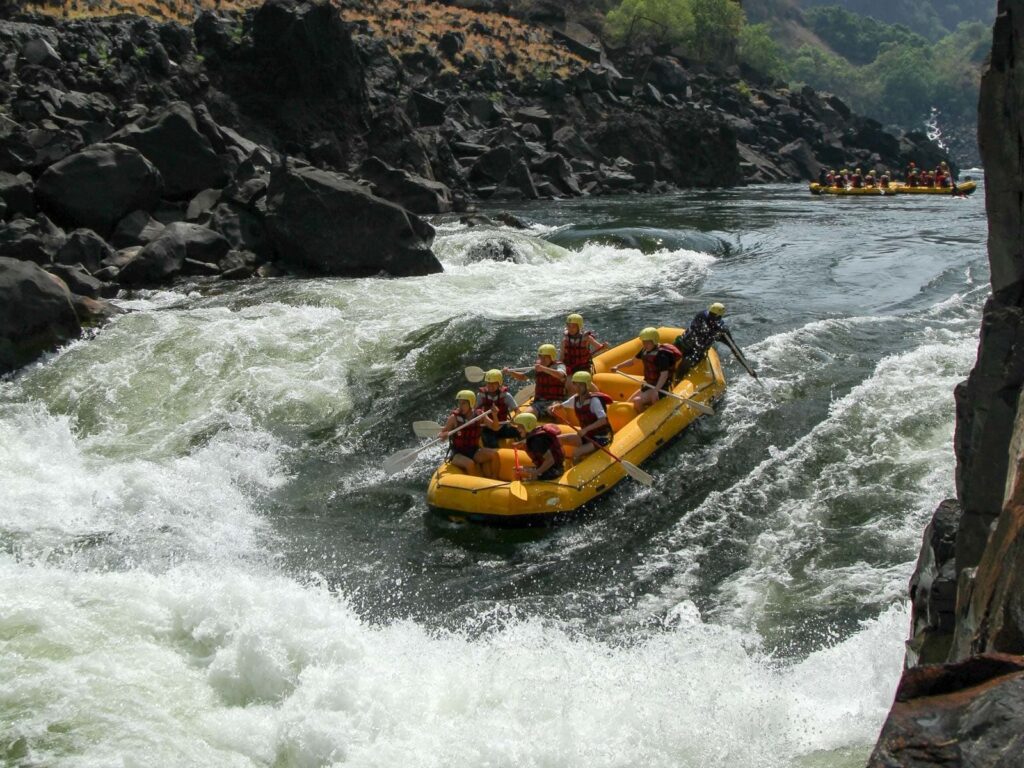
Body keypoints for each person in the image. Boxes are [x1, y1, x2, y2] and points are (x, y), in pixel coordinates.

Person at [550, 371, 614, 465]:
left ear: (587, 385)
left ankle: (575, 472)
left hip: (601, 438)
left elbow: (603, 420)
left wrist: (585, 430)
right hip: (587, 436)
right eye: (576, 385)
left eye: (581, 385)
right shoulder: (576, 399)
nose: (578, 388)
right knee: (558, 439)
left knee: (576, 452)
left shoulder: (594, 401)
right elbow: (562, 405)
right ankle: (558, 463)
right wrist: (555, 407)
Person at [612, 327, 680, 414]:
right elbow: (632, 362)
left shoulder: (662, 356)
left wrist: (656, 391)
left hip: (661, 387)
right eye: (643, 342)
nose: (644, 344)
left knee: (637, 401)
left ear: (654, 341)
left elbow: (664, 375)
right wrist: (618, 366)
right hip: (649, 385)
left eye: (647, 342)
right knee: (628, 403)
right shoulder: (645, 350)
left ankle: (646, 417)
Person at [439, 390, 499, 478]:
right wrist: (443, 435)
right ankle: (477, 486)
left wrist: (494, 415)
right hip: (458, 453)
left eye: (463, 403)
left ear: (471, 403)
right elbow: (442, 433)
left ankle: (495, 478)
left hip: (474, 450)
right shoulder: (454, 418)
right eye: (459, 403)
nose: (460, 406)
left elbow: (495, 427)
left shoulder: (479, 415)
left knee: (494, 455)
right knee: (470, 464)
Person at [505, 343, 566, 418]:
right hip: (539, 402)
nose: (542, 359)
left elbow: (561, 375)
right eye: (540, 357)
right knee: (524, 417)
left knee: (557, 410)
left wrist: (543, 369)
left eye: (545, 357)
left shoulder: (559, 366)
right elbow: (522, 377)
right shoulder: (538, 368)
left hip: (555, 401)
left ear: (552, 357)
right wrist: (510, 372)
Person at [674, 302, 727, 382]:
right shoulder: (702, 315)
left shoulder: (720, 327)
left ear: (719, 316)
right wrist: (717, 330)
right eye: (711, 313)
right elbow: (706, 326)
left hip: (696, 352)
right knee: (669, 354)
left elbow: (719, 334)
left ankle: (677, 380)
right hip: (684, 343)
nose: (711, 316)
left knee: (686, 364)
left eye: (714, 315)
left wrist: (721, 335)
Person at [512, 412, 565, 481]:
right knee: (516, 469)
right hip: (554, 468)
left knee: (518, 472)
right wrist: (520, 443)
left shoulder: (537, 442)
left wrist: (536, 473)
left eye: (520, 426)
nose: (517, 429)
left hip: (552, 472)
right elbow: (531, 440)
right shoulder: (536, 434)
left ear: (527, 426)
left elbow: (550, 460)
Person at [478, 369, 520, 449]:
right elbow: (475, 410)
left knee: (521, 432)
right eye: (489, 383)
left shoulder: (506, 395)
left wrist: (515, 418)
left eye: (494, 383)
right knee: (493, 447)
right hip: (488, 428)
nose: (490, 386)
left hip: (503, 426)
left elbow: (517, 410)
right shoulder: (481, 395)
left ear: (499, 383)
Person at [561, 313, 607, 378]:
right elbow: (562, 357)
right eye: (569, 326)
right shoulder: (565, 339)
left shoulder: (586, 338)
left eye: (573, 326)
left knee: (581, 380)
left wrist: (604, 346)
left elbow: (600, 347)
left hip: (583, 367)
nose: (571, 329)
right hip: (569, 367)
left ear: (579, 326)